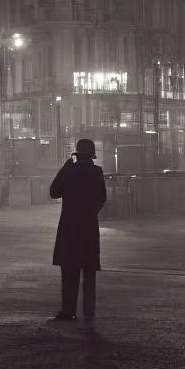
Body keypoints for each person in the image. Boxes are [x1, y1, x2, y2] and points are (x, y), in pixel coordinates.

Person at [48, 138, 107, 323]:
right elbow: (102, 198)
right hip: (88, 229)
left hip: (69, 228)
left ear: (77, 155)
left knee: (69, 272)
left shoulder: (70, 172)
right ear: (91, 156)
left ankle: (68, 311)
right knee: (89, 274)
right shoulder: (97, 172)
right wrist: (90, 213)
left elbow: (53, 192)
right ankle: (89, 314)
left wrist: (65, 167)